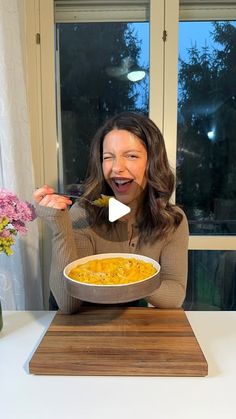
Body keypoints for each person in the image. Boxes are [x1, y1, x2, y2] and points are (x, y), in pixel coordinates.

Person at [33, 112, 189, 313]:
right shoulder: (84, 214)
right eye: (108, 157)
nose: (117, 168)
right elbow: (68, 304)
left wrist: (127, 272)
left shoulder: (172, 220)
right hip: (83, 325)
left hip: (134, 327)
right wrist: (58, 226)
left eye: (131, 156)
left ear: (152, 163)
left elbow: (174, 295)